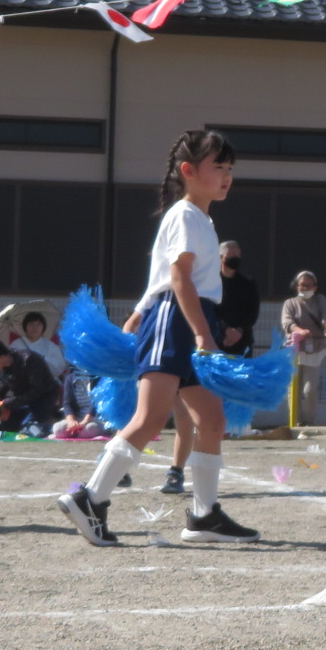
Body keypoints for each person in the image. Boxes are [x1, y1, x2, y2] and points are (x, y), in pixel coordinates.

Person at [59, 129, 258, 547]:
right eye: (217, 167)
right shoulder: (187, 214)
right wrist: (203, 333)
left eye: (229, 168)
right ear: (188, 171)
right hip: (179, 320)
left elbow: (167, 280)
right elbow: (178, 278)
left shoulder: (197, 217)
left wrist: (139, 315)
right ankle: (90, 497)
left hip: (182, 317)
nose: (226, 176)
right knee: (149, 418)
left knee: (213, 420)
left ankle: (204, 516)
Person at [280, 270, 326, 426]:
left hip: (315, 349)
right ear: (296, 286)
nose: (304, 288)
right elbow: (287, 323)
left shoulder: (320, 300)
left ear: (315, 287)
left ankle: (308, 421)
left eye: (308, 285)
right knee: (293, 388)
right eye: (301, 285)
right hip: (295, 349)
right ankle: (294, 421)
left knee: (309, 389)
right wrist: (299, 331)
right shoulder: (289, 303)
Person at [0, 337, 62, 435]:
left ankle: (54, 418)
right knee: (6, 427)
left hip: (44, 400)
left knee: (29, 430)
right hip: (23, 401)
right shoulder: (5, 366)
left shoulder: (29, 360)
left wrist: (6, 404)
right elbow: (5, 383)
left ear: (0, 357)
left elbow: (35, 392)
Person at [217, 240, 262, 355]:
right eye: (231, 255)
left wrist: (239, 330)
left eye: (237, 255)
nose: (235, 257)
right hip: (217, 340)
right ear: (221, 257)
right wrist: (226, 329)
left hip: (242, 341)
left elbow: (253, 313)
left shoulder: (248, 282)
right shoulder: (212, 281)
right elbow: (209, 310)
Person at [52, 367, 109, 441]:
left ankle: (78, 432)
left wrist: (85, 422)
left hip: (96, 419)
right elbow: (67, 403)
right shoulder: (70, 378)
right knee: (58, 429)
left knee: (88, 430)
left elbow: (96, 403)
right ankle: (75, 431)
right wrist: (71, 421)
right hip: (78, 418)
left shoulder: (98, 377)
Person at [13, 311, 65, 376]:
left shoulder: (50, 345)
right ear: (25, 326)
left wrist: (43, 359)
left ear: (43, 327)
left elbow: (59, 366)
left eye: (38, 324)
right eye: (31, 324)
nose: (35, 327)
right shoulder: (16, 344)